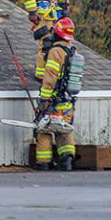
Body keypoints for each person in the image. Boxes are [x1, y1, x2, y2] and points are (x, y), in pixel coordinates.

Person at [35, 17, 77, 171]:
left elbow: (50, 77)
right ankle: (66, 162)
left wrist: (45, 98)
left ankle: (43, 163)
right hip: (67, 102)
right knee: (64, 130)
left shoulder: (55, 52)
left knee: (44, 129)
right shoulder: (72, 51)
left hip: (53, 100)